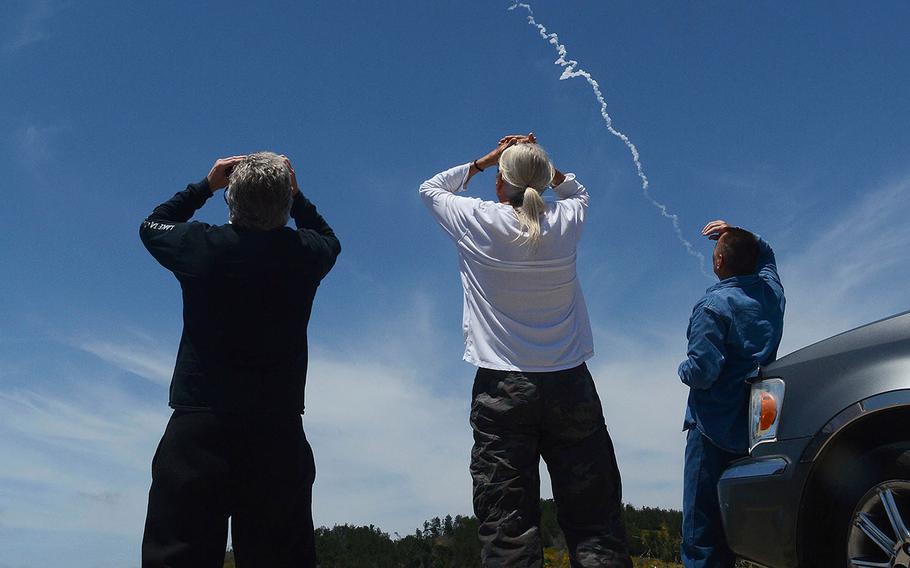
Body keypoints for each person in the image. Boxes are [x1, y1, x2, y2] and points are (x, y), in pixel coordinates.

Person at [419, 133, 632, 567]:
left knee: (507, 527)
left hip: (502, 387)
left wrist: (486, 160)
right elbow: (576, 189)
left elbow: (431, 189)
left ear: (500, 184)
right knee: (595, 523)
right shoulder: (567, 219)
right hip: (571, 382)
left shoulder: (477, 219)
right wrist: (540, 163)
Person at [138, 152, 340, 567]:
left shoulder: (201, 247)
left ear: (231, 200)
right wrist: (296, 195)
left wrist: (204, 185)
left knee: (178, 556)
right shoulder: (303, 254)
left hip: (199, 425)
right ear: (284, 204)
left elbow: (152, 225)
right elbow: (328, 237)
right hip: (277, 430)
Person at [678, 220, 785, 568]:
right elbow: (766, 253)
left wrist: (681, 369)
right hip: (753, 428)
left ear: (719, 262)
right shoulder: (771, 296)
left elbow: (702, 372)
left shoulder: (713, 307)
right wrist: (738, 230)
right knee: (736, 525)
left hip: (711, 428)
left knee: (701, 532)